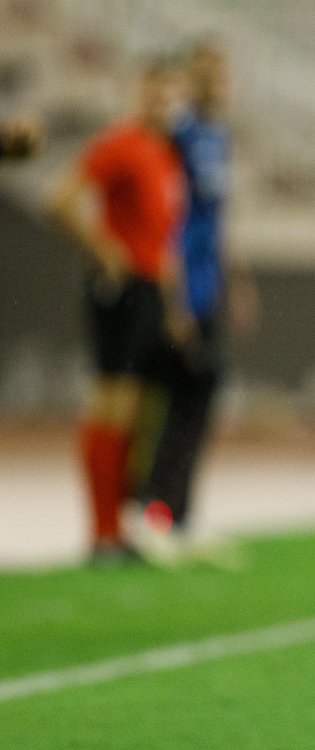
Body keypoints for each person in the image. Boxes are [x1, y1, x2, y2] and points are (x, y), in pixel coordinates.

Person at [49, 59, 189, 564]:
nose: (163, 105)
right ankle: (102, 533)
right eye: (154, 94)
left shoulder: (165, 156)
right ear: (138, 94)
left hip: (150, 291)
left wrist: (175, 305)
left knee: (136, 411)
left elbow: (166, 240)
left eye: (170, 97)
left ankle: (118, 529)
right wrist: (105, 250)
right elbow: (61, 198)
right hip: (122, 288)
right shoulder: (121, 144)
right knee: (110, 404)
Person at [138, 42, 256, 551]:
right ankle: (153, 510)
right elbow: (169, 219)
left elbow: (216, 220)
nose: (214, 83)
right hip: (178, 285)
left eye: (220, 73)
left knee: (201, 399)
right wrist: (175, 297)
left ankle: (181, 513)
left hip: (208, 286)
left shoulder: (218, 136)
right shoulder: (177, 137)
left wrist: (235, 278)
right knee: (169, 399)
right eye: (204, 73)